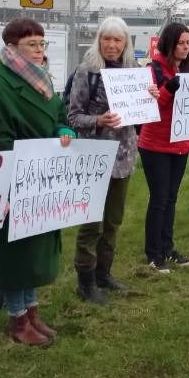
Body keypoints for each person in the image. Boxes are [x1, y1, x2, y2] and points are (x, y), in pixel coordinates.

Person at [0, 18, 75, 346]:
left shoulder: (41, 78)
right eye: (31, 45)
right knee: (15, 252)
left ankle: (32, 312)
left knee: (34, 249)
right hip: (16, 176)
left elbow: (58, 113)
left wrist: (63, 130)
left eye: (41, 44)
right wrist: (26, 161)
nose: (38, 50)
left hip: (43, 174)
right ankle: (17, 319)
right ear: (12, 48)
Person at [68, 16, 139, 304]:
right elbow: (72, 117)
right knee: (91, 222)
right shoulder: (87, 71)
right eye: (106, 39)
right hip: (95, 157)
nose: (111, 45)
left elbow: (142, 114)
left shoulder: (134, 71)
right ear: (99, 40)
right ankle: (85, 281)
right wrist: (98, 119)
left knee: (113, 220)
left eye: (117, 39)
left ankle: (103, 273)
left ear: (125, 43)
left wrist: (149, 98)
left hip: (123, 156)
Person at [137, 22, 189, 273]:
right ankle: (153, 253)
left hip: (180, 144)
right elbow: (153, 107)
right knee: (159, 199)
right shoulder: (154, 70)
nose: (185, 47)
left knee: (171, 199)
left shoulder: (188, 70)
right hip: (156, 144)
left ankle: (167, 248)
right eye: (181, 43)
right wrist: (169, 90)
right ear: (169, 43)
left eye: (188, 43)